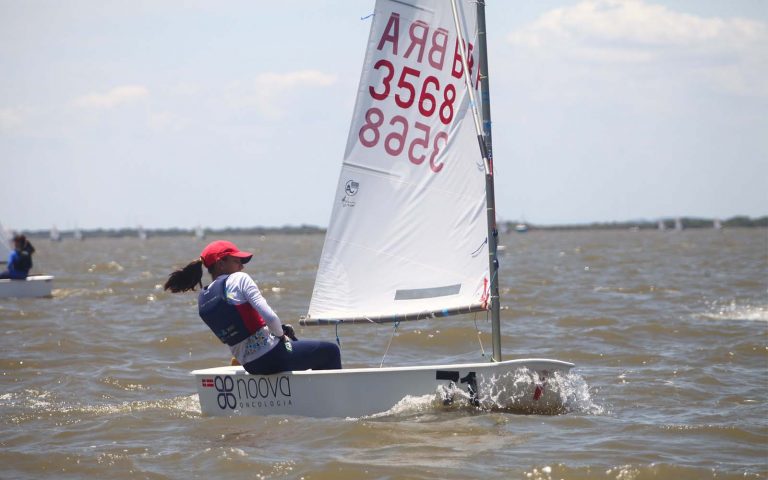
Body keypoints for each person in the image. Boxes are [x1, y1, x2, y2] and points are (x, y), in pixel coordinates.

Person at [164, 240, 341, 375]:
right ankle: (334, 403)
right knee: (330, 351)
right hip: (273, 356)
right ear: (221, 263)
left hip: (251, 364)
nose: (242, 266)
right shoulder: (240, 279)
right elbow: (271, 318)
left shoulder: (204, 297)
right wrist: (281, 336)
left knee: (296, 346)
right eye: (237, 261)